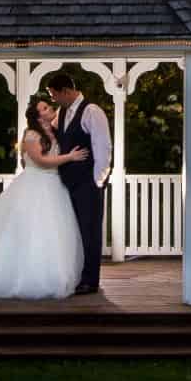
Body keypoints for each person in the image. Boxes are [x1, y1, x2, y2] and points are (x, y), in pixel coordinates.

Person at [0, 95, 87, 299]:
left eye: (49, 106)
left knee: (53, 233)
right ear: (38, 116)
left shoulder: (54, 131)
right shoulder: (32, 134)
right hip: (35, 185)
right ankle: (18, 278)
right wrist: (70, 157)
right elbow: (40, 160)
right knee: (30, 232)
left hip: (54, 186)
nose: (50, 109)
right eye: (45, 108)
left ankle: (51, 276)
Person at [44, 71, 110, 294]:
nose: (54, 100)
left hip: (87, 183)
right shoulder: (62, 113)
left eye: (54, 95)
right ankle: (77, 275)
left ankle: (91, 280)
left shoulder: (92, 111)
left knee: (90, 231)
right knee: (73, 232)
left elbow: (103, 148)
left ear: (66, 91)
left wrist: (97, 181)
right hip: (66, 183)